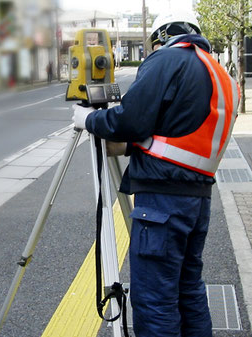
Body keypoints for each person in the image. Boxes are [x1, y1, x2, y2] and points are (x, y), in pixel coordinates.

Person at [72, 9, 239, 337]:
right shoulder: (220, 74)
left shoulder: (168, 60)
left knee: (155, 301)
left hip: (162, 203)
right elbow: (180, 132)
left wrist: (87, 120)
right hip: (197, 201)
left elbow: (130, 120)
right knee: (189, 291)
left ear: (161, 40)